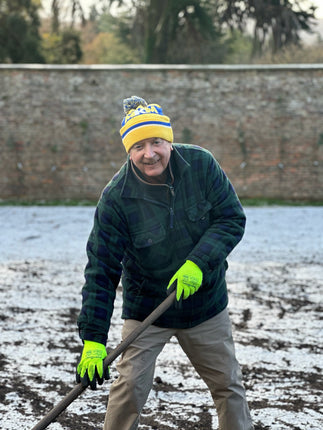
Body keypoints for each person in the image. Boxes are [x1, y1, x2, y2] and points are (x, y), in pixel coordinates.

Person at [76, 95, 254, 430]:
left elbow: (231, 219)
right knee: (128, 389)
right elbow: (101, 270)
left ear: (169, 141)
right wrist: (94, 340)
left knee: (229, 387)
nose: (149, 153)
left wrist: (198, 263)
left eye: (156, 142)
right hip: (148, 310)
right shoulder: (116, 199)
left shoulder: (201, 165)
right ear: (128, 151)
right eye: (139, 145)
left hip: (205, 305)